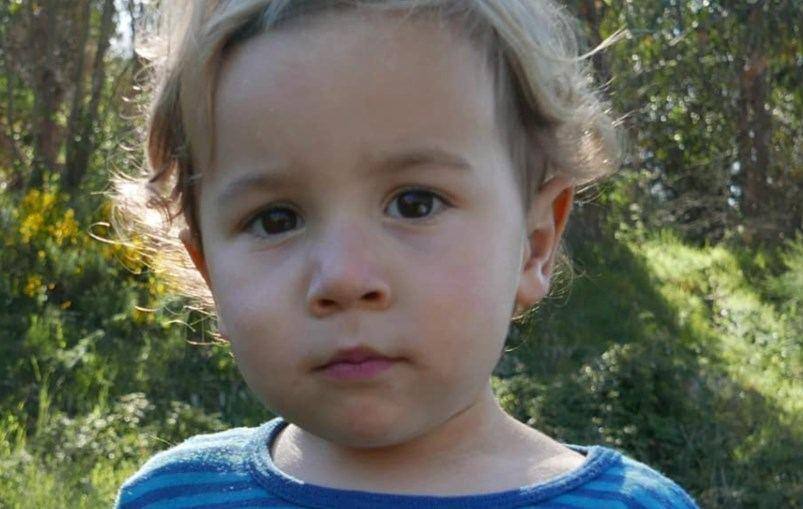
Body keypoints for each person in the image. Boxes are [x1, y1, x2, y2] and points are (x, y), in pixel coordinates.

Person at [113, 0, 700, 507]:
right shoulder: (170, 497)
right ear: (210, 272)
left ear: (535, 244)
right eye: (276, 219)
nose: (344, 277)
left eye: (415, 204)